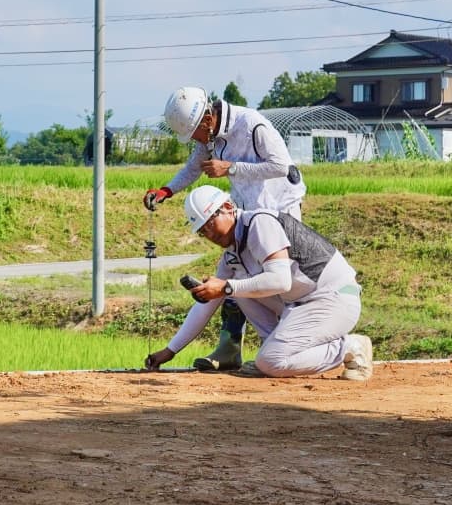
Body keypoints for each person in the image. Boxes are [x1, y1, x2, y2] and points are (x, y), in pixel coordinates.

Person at [143, 85, 307, 372]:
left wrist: (231, 168)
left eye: (194, 133)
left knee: (276, 283)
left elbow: (281, 166)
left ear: (207, 118)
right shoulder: (209, 135)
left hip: (280, 214)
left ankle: (296, 344)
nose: (196, 141)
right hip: (247, 214)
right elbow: (194, 167)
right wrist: (167, 190)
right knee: (234, 278)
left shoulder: (252, 125)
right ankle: (242, 348)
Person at [143, 185, 373, 381]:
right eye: (203, 232)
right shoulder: (232, 254)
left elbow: (280, 280)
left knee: (269, 358)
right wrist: (170, 350)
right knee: (238, 285)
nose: (210, 235)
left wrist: (225, 287)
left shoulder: (259, 223)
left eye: (210, 224)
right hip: (302, 303)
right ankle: (270, 348)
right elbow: (207, 305)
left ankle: (349, 348)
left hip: (335, 297)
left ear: (227, 208)